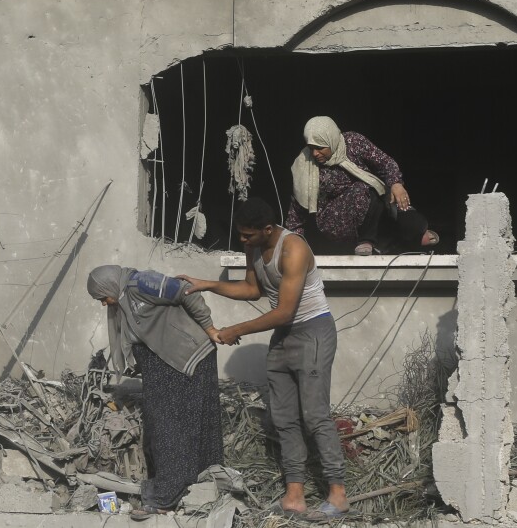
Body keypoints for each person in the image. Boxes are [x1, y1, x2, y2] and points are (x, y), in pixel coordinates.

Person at [179, 197, 350, 521]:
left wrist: (235, 329)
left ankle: (338, 495)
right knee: (284, 417)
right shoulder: (254, 247)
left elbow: (284, 311)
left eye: (247, 236)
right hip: (284, 336)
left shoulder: (293, 249)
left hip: (312, 332)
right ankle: (295, 496)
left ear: (267, 229)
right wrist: (209, 285)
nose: (242, 241)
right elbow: (252, 288)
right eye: (241, 235)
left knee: (314, 415)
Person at [87, 265, 224, 519]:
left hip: (185, 359)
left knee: (171, 428)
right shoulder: (126, 298)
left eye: (102, 297)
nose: (104, 304)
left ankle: (167, 497)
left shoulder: (141, 284)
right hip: (165, 368)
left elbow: (186, 290)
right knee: (168, 425)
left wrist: (210, 328)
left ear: (109, 286)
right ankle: (196, 485)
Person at [286, 115, 438, 256]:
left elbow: (385, 163)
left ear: (331, 139)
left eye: (320, 147)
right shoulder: (305, 163)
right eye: (311, 147)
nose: (315, 153)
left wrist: (396, 183)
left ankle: (408, 238)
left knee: (412, 223)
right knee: (363, 189)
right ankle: (366, 240)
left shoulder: (353, 142)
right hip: (335, 221)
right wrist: (294, 242)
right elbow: (298, 206)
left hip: (374, 203)